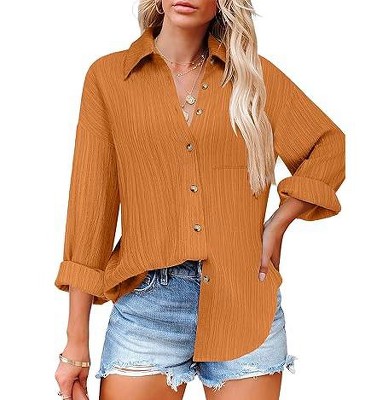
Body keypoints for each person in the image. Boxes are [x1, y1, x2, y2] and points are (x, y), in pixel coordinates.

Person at [54, 0, 345, 399]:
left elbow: (328, 145)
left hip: (244, 301)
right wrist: (76, 344)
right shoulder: (108, 78)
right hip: (146, 307)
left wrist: (278, 224)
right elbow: (90, 210)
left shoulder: (254, 79)